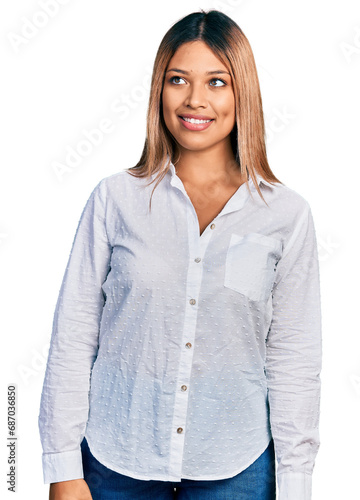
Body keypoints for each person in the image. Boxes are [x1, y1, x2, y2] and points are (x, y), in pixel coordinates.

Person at [38, 9, 322, 500]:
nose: (195, 100)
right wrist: (62, 468)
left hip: (238, 466)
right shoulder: (114, 200)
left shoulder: (286, 216)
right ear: (158, 90)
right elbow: (73, 336)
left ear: (243, 93)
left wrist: (296, 486)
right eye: (178, 80)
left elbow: (294, 360)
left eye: (217, 81)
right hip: (114, 462)